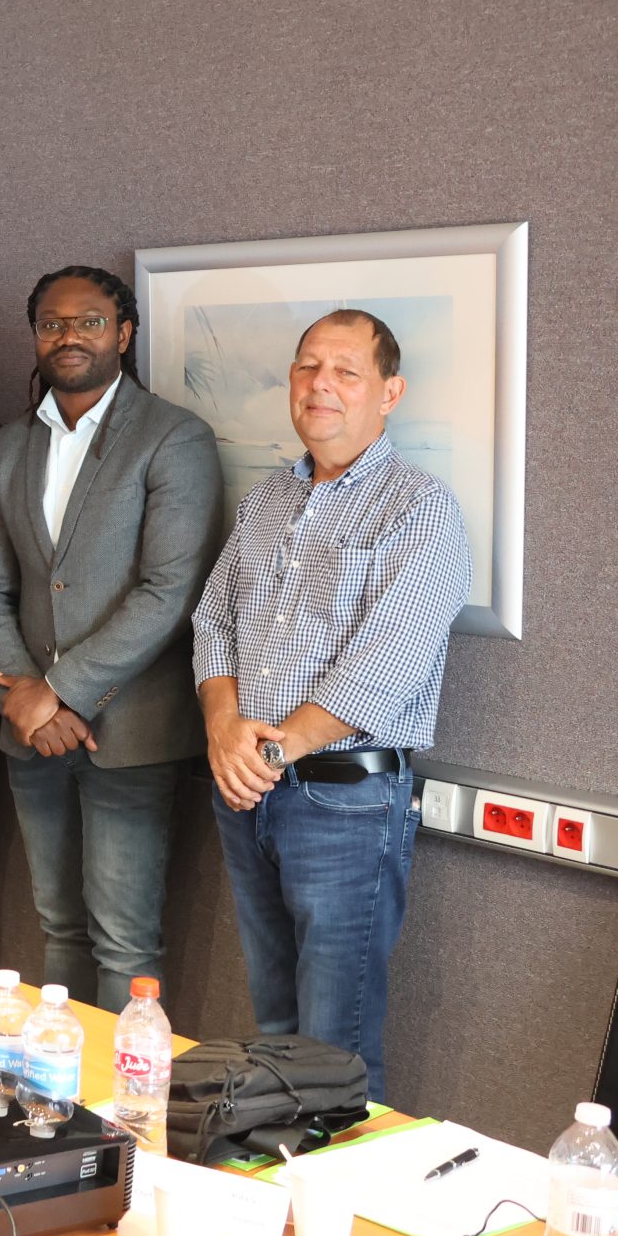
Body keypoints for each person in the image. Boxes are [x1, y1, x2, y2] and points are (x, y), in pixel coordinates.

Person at [193, 310, 469, 1097]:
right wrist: (223, 726)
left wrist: (268, 750)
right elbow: (213, 621)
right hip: (248, 793)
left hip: (344, 804)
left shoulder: (420, 507)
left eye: (347, 370)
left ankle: (340, 1181)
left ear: (390, 391)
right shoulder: (266, 501)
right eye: (308, 366)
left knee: (334, 1045)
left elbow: (388, 663)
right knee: (275, 1029)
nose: (322, 384)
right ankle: (284, 1171)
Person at [0, 265, 224, 1010]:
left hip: (130, 731)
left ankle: (121, 1086)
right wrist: (22, 698)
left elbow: (171, 591)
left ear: (124, 333)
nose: (68, 335)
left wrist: (59, 691)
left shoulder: (173, 436)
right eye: (52, 323)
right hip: (30, 733)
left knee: (125, 941)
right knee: (58, 928)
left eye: (89, 321)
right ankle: (62, 1073)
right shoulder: (8, 446)